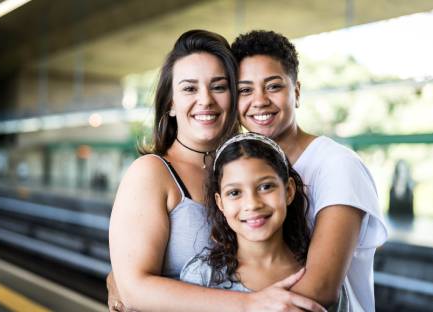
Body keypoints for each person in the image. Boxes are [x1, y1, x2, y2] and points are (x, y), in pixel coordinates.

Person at [108, 29, 326, 312]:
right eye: (189, 88)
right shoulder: (151, 172)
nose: (206, 100)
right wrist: (249, 304)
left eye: (219, 86)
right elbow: (133, 289)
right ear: (170, 103)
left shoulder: (246, 168)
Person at [231, 30, 388, 311]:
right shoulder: (239, 170)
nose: (259, 100)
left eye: (273, 86)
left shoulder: (337, 166)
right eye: (245, 90)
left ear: (297, 92)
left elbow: (321, 289)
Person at [181, 133, 349, 312]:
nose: (252, 204)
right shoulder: (203, 275)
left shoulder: (319, 274)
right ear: (220, 202)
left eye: (265, 187)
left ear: (289, 191)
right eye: (235, 193)